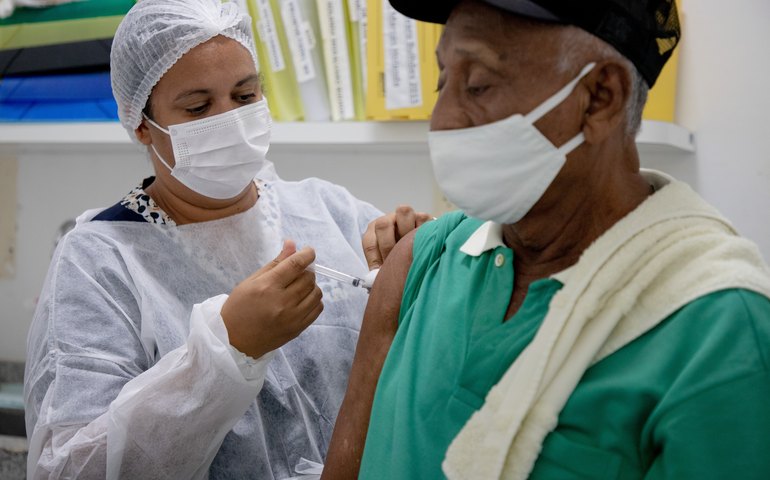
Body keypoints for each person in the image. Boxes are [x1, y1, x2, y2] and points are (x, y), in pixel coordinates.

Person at [322, 0, 770, 479]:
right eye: (442, 82)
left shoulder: (719, 332)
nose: (443, 120)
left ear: (600, 97)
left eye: (478, 85)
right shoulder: (420, 264)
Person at [23, 0, 428, 478]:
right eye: (198, 107)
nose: (229, 120)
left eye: (245, 95)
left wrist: (423, 262)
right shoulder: (99, 261)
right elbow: (70, 467)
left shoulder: (332, 212)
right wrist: (226, 351)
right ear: (140, 123)